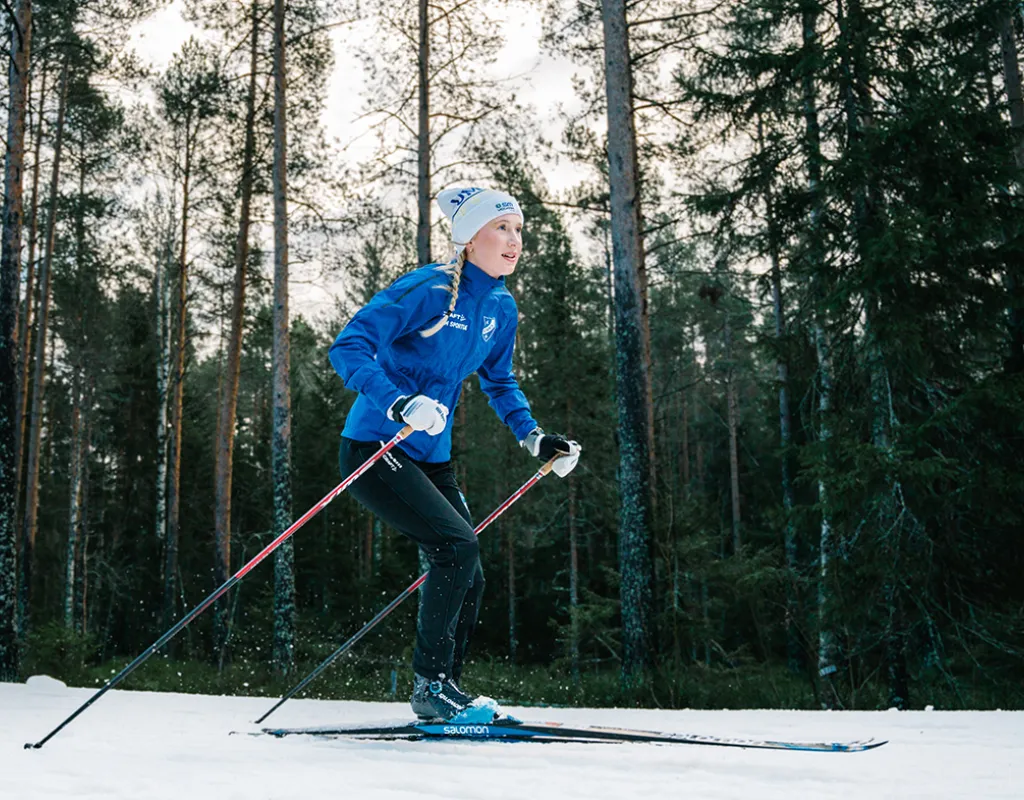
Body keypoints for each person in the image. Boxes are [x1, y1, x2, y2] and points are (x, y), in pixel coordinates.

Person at [329, 187, 581, 724]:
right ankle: (430, 687)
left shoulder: (501, 307)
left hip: (430, 457)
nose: (514, 241)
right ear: (469, 239)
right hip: (377, 446)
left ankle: (448, 691)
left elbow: (500, 379)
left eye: (518, 230)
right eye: (501, 228)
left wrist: (535, 438)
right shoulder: (430, 289)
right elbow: (347, 345)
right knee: (455, 547)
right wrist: (399, 402)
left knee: (470, 568)